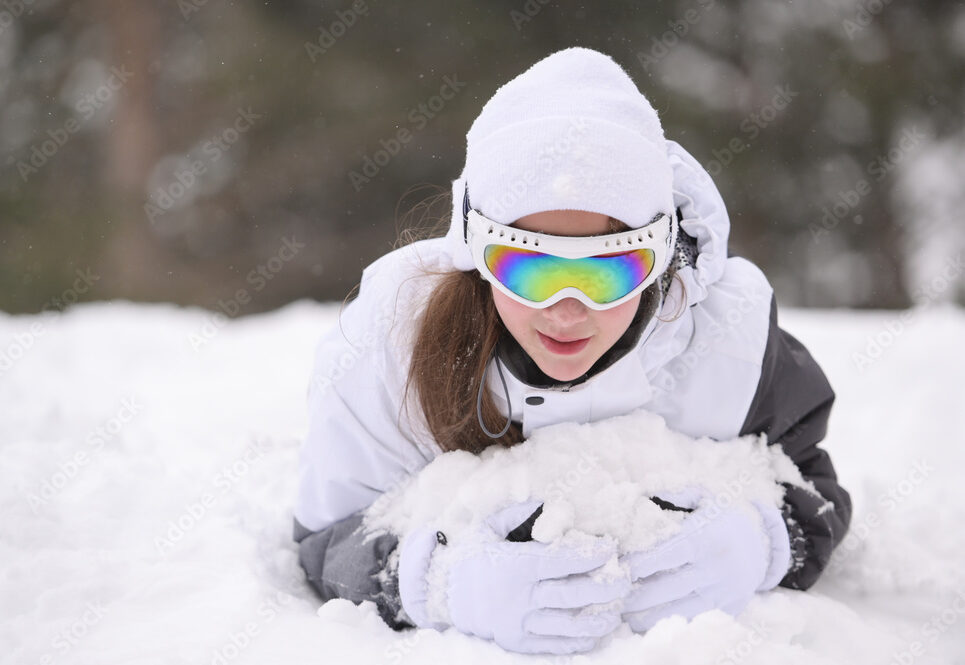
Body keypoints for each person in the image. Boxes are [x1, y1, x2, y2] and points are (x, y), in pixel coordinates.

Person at [292, 47, 852, 655]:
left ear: (660, 258)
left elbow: (814, 487)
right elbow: (325, 540)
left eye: (607, 271)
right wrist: (434, 582)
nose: (566, 311)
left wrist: (766, 542)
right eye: (527, 267)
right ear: (476, 255)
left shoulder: (727, 338)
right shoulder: (392, 340)